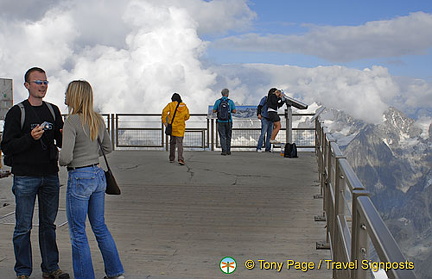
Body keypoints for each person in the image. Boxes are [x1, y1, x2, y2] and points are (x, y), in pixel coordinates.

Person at [1, 67, 69, 279]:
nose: (42, 86)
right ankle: (23, 271)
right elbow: (7, 146)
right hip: (25, 176)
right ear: (27, 85)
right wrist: (31, 137)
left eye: (45, 83)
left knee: (48, 225)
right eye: (38, 82)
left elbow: (60, 141)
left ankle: (50, 268)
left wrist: (65, 135)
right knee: (23, 226)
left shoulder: (53, 110)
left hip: (49, 173)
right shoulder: (17, 112)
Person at [59, 80, 124, 279]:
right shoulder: (97, 119)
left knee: (78, 232)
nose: (65, 96)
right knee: (100, 226)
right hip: (97, 175)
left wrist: (60, 150)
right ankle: (115, 273)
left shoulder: (71, 121)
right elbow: (108, 148)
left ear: (74, 96)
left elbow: (66, 158)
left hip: (79, 177)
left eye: (67, 92)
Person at [161, 93, 190, 165]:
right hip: (180, 127)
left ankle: (171, 158)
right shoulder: (184, 106)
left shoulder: (170, 105)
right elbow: (187, 116)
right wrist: (181, 119)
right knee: (179, 144)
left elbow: (164, 111)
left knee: (172, 143)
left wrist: (164, 121)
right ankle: (180, 159)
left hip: (172, 127)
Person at [213, 88, 236, 155]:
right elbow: (234, 111)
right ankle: (228, 150)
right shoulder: (230, 102)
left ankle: (224, 151)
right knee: (228, 136)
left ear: (222, 94)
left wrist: (219, 111)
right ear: (227, 94)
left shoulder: (218, 101)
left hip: (220, 121)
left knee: (222, 136)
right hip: (229, 121)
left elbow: (214, 110)